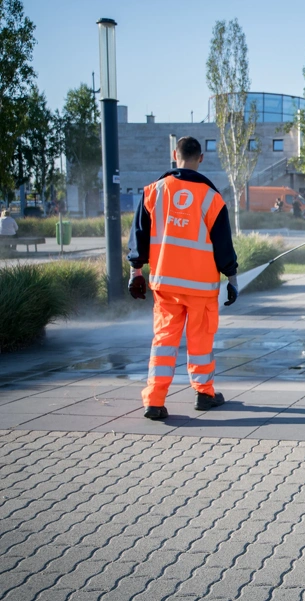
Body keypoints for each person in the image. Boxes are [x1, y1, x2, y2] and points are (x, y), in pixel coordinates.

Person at [127, 136, 239, 420]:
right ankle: (204, 394)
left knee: (164, 340)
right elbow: (223, 243)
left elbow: (138, 236)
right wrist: (232, 278)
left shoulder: (154, 191)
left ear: (174, 155)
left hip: (166, 283)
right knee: (201, 340)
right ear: (201, 158)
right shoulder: (211, 197)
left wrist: (135, 272)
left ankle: (154, 400)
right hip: (201, 286)